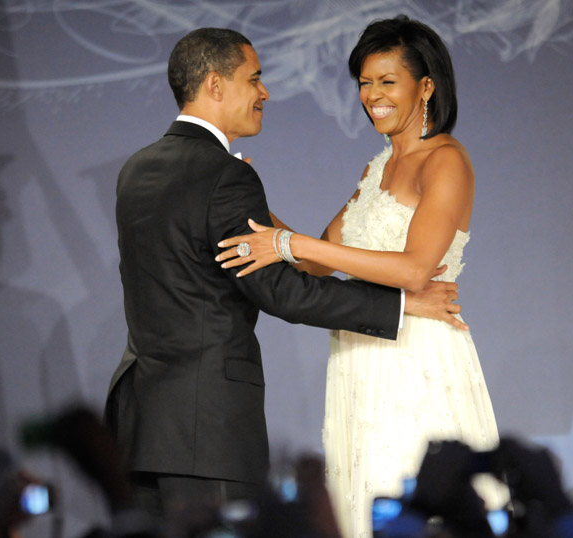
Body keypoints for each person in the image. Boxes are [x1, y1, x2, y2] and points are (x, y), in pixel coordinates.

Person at [104, 27, 466, 519]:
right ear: (215, 85)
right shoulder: (227, 174)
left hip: (144, 421)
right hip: (207, 427)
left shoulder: (138, 168)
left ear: (425, 86)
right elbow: (290, 283)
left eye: (387, 81)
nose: (265, 91)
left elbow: (347, 259)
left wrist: (274, 230)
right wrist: (399, 305)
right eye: (254, 79)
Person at [217, 16, 508, 538]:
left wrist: (290, 242)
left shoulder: (445, 160)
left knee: (414, 504)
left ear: (426, 86)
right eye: (364, 83)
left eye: (386, 81)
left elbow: (417, 268)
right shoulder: (377, 167)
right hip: (360, 354)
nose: (372, 95)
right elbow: (319, 260)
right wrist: (246, 190)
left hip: (414, 355)